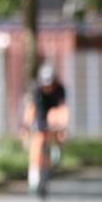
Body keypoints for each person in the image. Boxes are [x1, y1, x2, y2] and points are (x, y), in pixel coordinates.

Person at [21, 63, 69, 193]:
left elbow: (63, 109)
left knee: (55, 121)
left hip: (53, 111)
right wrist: (26, 126)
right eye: (45, 85)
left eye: (50, 85)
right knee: (37, 142)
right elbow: (31, 110)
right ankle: (34, 176)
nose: (47, 88)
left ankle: (56, 148)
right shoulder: (36, 89)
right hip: (40, 112)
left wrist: (62, 127)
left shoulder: (60, 90)